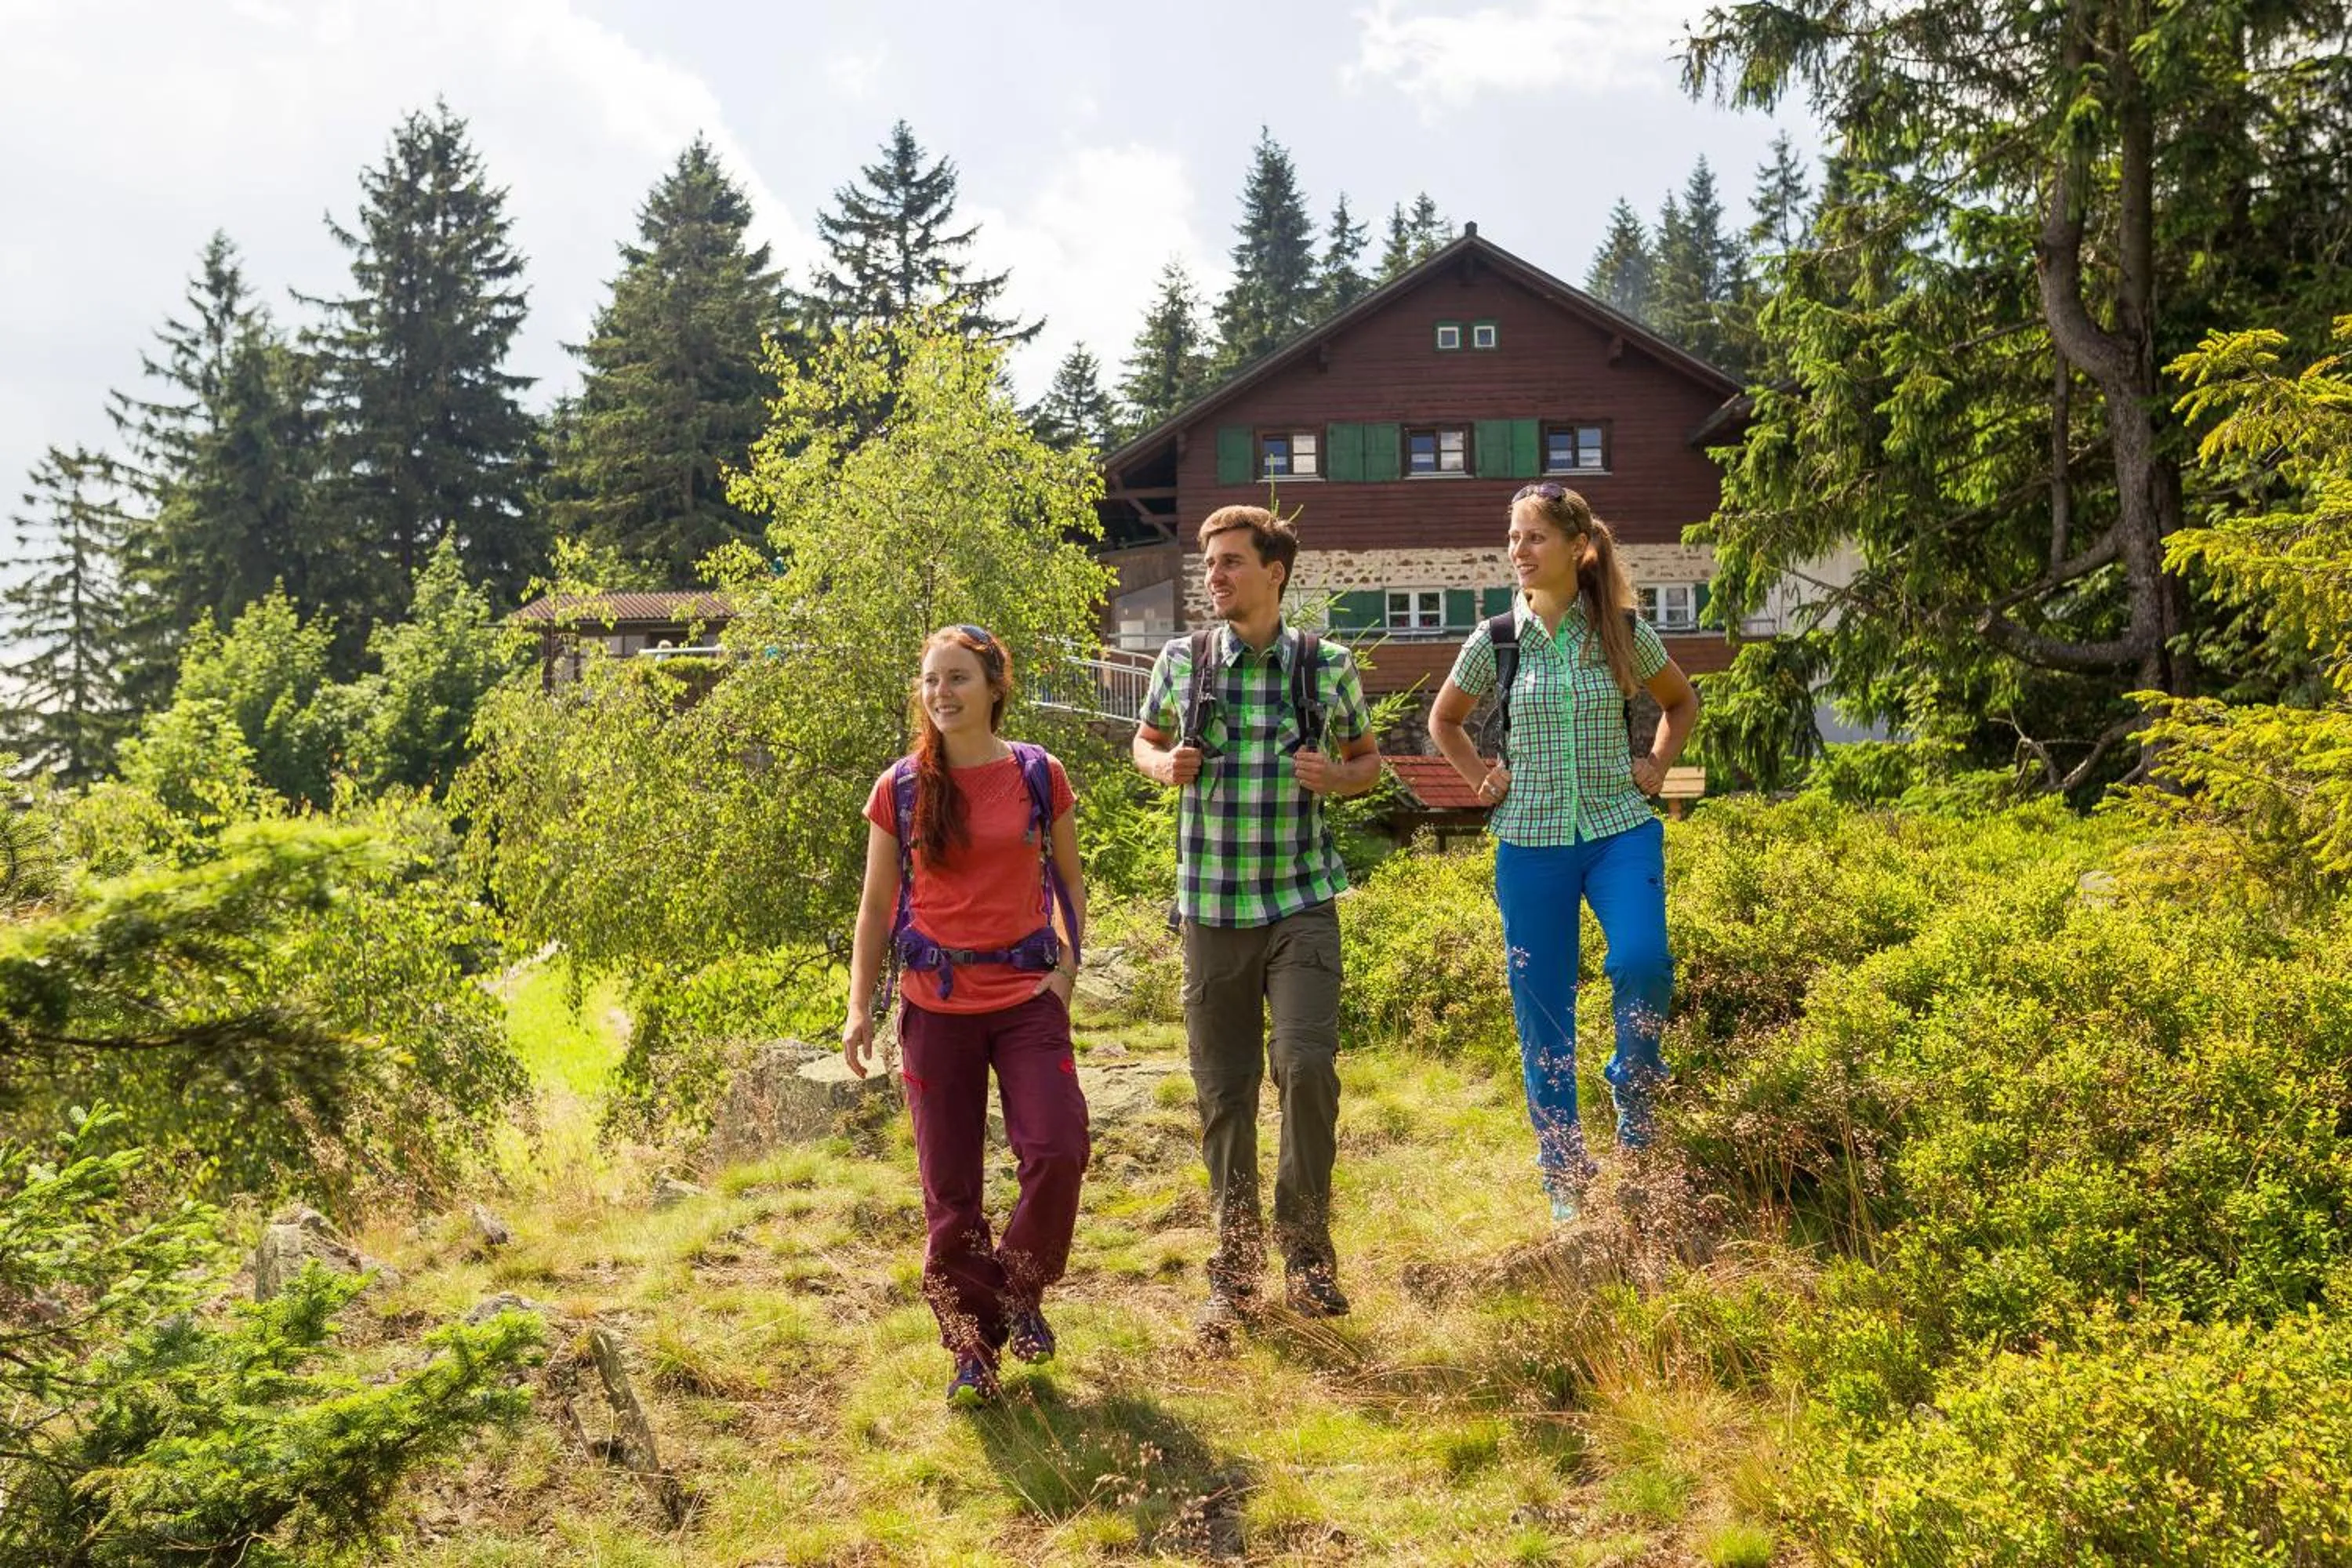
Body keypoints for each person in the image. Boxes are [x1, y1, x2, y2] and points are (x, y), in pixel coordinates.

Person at [1132, 506, 1382, 1331]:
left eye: (1232, 562)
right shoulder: (1183, 659)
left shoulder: (1327, 666)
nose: (1216, 577)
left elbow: (1368, 762)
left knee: (1307, 1066)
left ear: (1275, 571)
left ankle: (1308, 1258)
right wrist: (1164, 763)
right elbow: (1145, 741)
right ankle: (1234, 1271)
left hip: (1300, 900)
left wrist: (1335, 775)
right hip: (1209, 907)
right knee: (1225, 1092)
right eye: (1210, 564)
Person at [1425, 483, 1700, 1222]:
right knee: (1542, 1010)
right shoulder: (1495, 640)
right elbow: (1444, 721)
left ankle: (1634, 1098)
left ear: (1578, 549)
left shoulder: (1621, 630)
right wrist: (1479, 776)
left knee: (1643, 961)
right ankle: (1565, 1174)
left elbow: (1681, 702)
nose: (1519, 551)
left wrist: (1657, 764)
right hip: (1529, 844)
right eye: (1513, 538)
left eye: (1534, 537)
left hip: (1618, 829)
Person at [841, 626, 1091, 1407]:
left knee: (1058, 1148)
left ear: (992, 685)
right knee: (951, 1195)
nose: (941, 692)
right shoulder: (903, 786)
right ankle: (971, 1353)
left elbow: (1071, 884)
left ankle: (1019, 1290)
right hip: (932, 1009)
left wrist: (1066, 971)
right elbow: (877, 904)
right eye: (929, 680)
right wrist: (859, 1006)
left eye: (957, 677)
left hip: (1025, 1002)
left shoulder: (1037, 774)